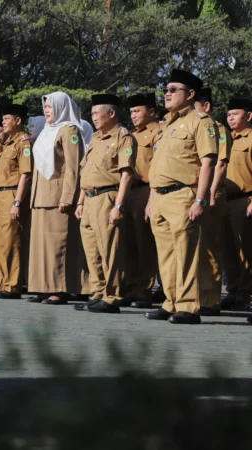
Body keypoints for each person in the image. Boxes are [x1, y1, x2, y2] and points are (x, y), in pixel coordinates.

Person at [145, 69, 218, 325]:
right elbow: (158, 165)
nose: (167, 93)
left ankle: (188, 307)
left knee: (186, 253)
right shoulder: (166, 124)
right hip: (161, 197)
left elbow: (208, 162)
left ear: (190, 94)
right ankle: (171, 302)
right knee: (166, 254)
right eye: (165, 90)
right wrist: (152, 199)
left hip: (183, 194)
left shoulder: (201, 121)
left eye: (173, 89)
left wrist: (200, 199)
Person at [75, 94, 136, 313]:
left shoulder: (123, 137)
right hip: (89, 198)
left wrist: (118, 206)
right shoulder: (95, 138)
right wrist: (81, 201)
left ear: (111, 113)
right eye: (91, 114)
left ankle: (113, 296)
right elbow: (86, 171)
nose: (93, 118)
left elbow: (126, 174)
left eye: (96, 113)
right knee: (92, 250)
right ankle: (98, 292)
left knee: (110, 248)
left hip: (108, 197)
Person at [25, 92, 87, 304]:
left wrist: (68, 196)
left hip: (57, 196)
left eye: (51, 107)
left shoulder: (69, 130)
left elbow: (73, 167)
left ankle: (58, 289)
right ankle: (42, 286)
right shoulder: (46, 131)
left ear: (62, 107)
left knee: (56, 244)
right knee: (41, 246)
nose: (47, 110)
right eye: (45, 107)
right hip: (40, 196)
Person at [0, 104, 33, 299]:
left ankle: (12, 285)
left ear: (18, 120)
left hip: (11, 194)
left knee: (11, 242)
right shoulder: (4, 144)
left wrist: (17, 202)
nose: (3, 122)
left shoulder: (23, 142)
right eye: (2, 119)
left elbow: (25, 174)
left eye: (7, 118)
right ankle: (2, 282)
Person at [194, 87, 232, 315]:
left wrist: (210, 192)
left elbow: (220, 164)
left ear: (206, 106)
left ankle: (210, 300)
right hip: (195, 193)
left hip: (210, 194)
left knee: (209, 247)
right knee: (195, 248)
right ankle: (196, 296)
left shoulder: (218, 129)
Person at [122, 93, 160, 308]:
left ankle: (144, 290)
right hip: (128, 190)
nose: (134, 115)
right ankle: (130, 286)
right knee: (129, 242)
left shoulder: (158, 133)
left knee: (144, 242)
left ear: (151, 111)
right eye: (131, 112)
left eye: (137, 111)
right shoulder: (131, 135)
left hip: (146, 189)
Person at [222, 98, 252, 312]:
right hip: (225, 201)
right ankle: (232, 291)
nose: (231, 118)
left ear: (248, 116)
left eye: (236, 114)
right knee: (228, 250)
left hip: (245, 199)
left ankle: (244, 293)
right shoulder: (226, 139)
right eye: (229, 114)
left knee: (246, 250)